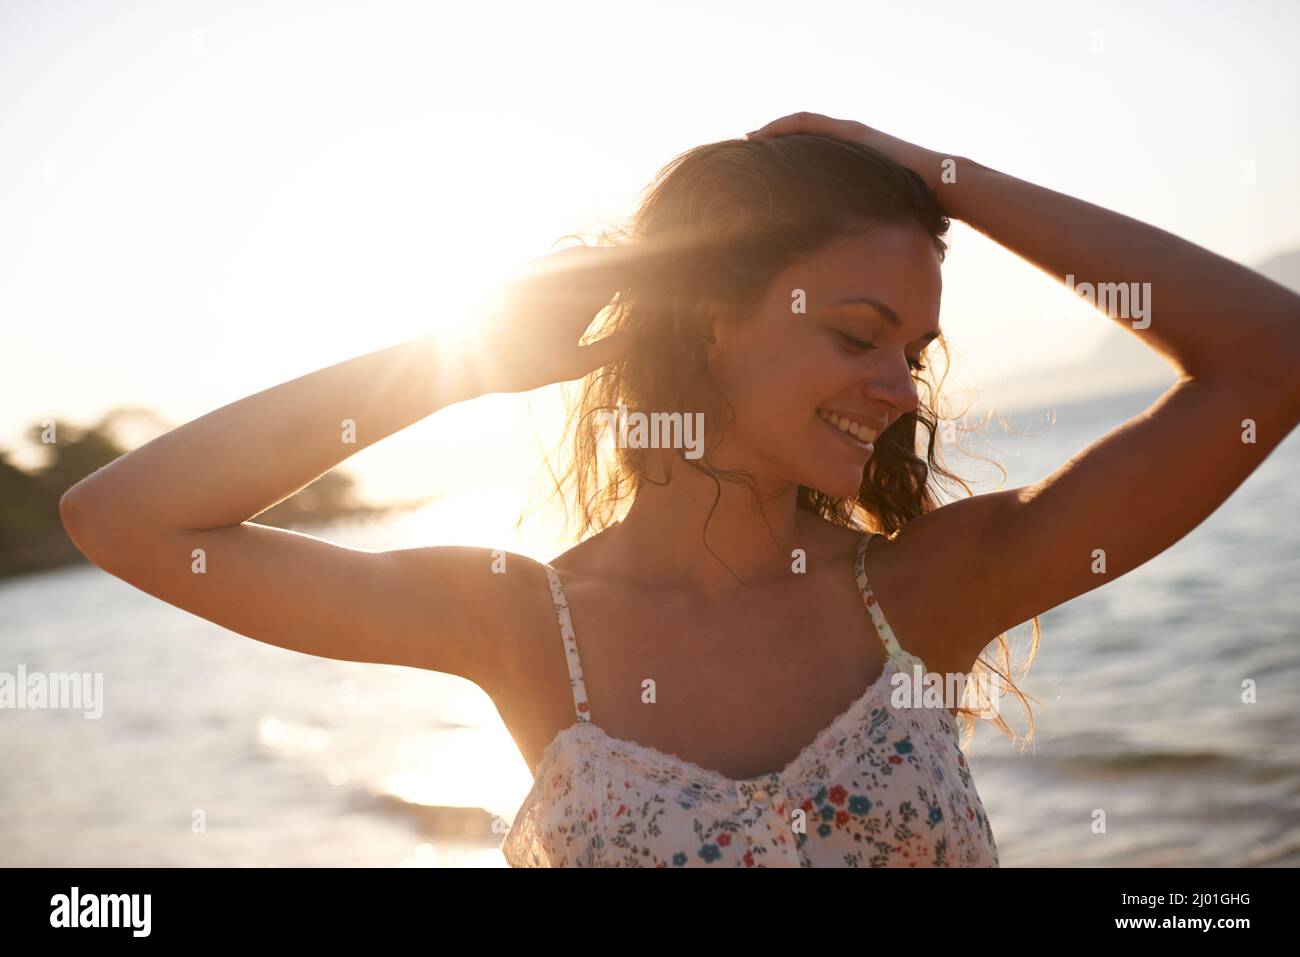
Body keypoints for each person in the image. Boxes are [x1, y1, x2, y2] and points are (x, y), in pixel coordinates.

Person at [60, 111, 1300, 867]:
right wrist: (451, 364)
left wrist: (936, 173)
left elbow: (1270, 360)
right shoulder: (516, 625)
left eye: (914, 353)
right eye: (856, 335)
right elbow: (122, 519)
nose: (901, 389)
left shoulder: (929, 591)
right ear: (713, 322)